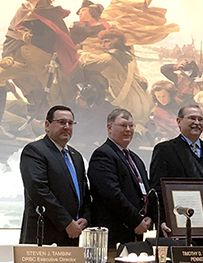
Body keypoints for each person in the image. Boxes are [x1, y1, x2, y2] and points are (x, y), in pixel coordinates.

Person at [20, 105, 90, 246]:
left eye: (70, 123)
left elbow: (84, 192)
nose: (67, 127)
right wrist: (66, 222)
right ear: (47, 125)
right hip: (43, 237)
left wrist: (85, 218)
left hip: (72, 236)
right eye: (62, 122)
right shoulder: (34, 151)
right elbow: (38, 190)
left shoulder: (76, 156)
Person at [149, 105, 203, 231]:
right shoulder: (164, 150)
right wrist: (161, 221)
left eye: (200, 119)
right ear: (179, 122)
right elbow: (157, 189)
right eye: (192, 118)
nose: (197, 123)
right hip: (176, 225)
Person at [88, 108, 152, 248]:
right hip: (113, 235)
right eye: (123, 125)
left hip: (135, 233)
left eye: (131, 126)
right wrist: (135, 220)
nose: (128, 129)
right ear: (109, 128)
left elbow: (146, 191)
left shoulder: (135, 159)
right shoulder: (103, 155)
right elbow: (111, 194)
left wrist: (149, 217)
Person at [78, 28, 151, 124]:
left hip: (125, 100)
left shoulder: (110, 57)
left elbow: (88, 63)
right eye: (102, 42)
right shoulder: (127, 55)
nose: (103, 45)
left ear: (117, 41)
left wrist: (78, 52)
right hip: (140, 97)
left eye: (107, 42)